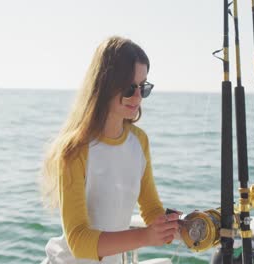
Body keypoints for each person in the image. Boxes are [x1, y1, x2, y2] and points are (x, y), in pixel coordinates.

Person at [41, 36, 179, 264]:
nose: (137, 97)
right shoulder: (74, 150)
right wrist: (145, 236)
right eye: (128, 88)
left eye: (143, 87)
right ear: (105, 85)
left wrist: (182, 225)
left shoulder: (139, 141)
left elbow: (152, 209)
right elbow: (78, 241)